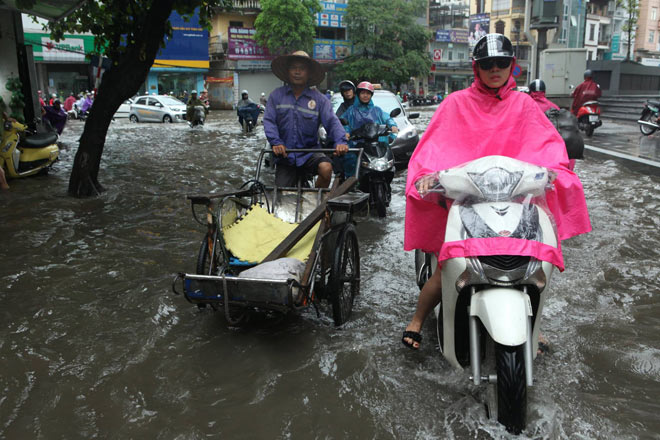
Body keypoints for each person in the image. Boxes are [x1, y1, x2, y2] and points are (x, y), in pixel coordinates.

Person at [401, 34, 591, 350]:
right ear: (477, 68)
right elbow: (433, 147)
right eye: (487, 64)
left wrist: (555, 170)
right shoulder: (455, 104)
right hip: (465, 200)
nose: (494, 69)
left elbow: (545, 147)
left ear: (511, 66)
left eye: (501, 63)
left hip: (515, 200)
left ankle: (535, 322)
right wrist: (426, 175)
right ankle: (418, 319)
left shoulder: (524, 105)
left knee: (535, 264)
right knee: (446, 268)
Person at [263, 50, 348, 188]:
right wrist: (276, 142)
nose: (297, 72)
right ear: (287, 71)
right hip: (286, 155)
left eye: (302, 68)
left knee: (326, 169)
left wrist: (341, 141)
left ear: (308, 73)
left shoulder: (320, 100)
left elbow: (332, 122)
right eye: (293, 68)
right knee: (279, 197)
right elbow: (269, 121)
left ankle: (319, 204)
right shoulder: (276, 96)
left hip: (310, 153)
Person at [340, 81, 399, 177]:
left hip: (375, 143)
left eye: (368, 93)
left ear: (371, 95)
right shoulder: (351, 111)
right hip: (357, 144)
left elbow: (387, 118)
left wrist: (393, 125)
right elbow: (344, 123)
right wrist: (346, 132)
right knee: (349, 159)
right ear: (358, 94)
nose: (365, 96)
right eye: (363, 93)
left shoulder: (377, 110)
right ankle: (353, 181)